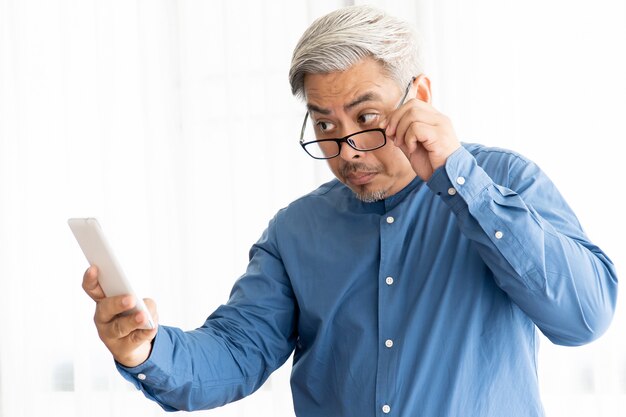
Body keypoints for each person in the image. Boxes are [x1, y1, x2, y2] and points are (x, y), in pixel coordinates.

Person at [81, 5, 618, 417]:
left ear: (420, 96)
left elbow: (584, 318)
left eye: (366, 116)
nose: (349, 150)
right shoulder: (294, 231)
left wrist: (461, 182)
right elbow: (234, 354)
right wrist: (145, 350)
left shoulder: (505, 182)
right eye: (325, 125)